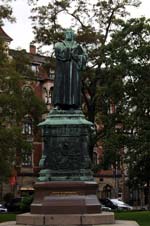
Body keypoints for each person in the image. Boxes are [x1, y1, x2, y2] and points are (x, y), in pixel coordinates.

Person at [52, 29, 87, 110]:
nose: (68, 34)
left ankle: (73, 105)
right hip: (62, 69)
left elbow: (84, 57)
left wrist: (77, 56)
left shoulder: (77, 46)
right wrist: (67, 52)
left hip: (73, 70)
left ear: (73, 35)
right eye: (67, 33)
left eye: (70, 33)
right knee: (60, 85)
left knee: (73, 86)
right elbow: (58, 54)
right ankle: (59, 105)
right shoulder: (59, 44)